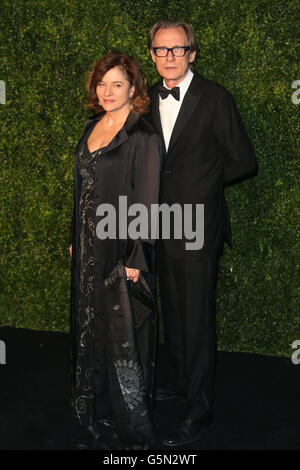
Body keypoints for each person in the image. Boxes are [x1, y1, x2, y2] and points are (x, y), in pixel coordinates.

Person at [146, 20, 258, 447]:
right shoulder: (144, 100)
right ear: (152, 54)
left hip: (197, 226)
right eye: (161, 49)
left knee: (195, 320)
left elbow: (244, 161)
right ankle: (180, 385)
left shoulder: (216, 98)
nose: (170, 57)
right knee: (171, 313)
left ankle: (200, 409)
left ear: (192, 53)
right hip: (156, 226)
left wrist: (203, 188)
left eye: (178, 49)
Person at [69, 52, 161, 449]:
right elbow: (80, 191)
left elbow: (148, 202)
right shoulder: (91, 126)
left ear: (133, 89)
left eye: (117, 84)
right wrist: (75, 235)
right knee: (87, 324)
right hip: (88, 247)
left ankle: (123, 419)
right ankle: (90, 404)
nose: (107, 91)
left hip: (119, 251)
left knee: (121, 336)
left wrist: (136, 259)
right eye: (102, 83)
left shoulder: (142, 135)